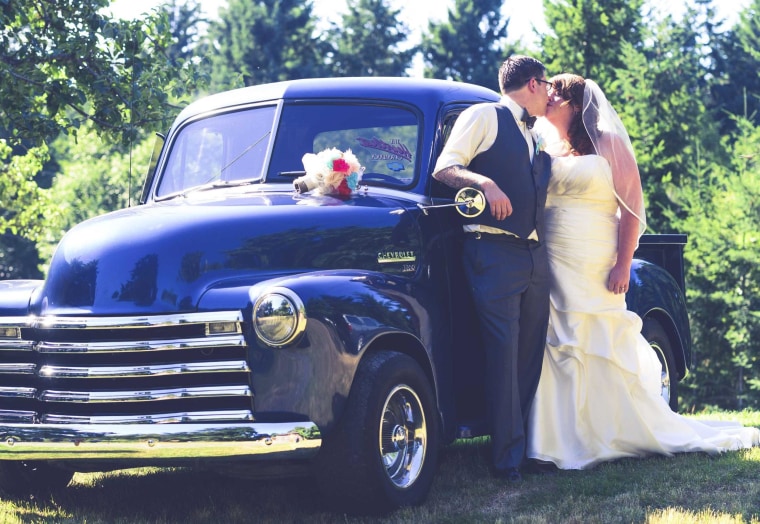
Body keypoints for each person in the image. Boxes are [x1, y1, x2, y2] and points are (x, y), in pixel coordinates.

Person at [526, 73, 760, 470]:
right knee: (559, 342)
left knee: (598, 338)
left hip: (596, 259)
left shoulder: (608, 143)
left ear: (574, 104)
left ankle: (614, 427)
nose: (547, 100)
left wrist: (622, 263)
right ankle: (560, 438)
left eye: (554, 95)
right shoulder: (547, 147)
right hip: (556, 259)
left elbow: (631, 209)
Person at [432, 55, 553, 481]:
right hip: (492, 251)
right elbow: (446, 167)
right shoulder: (486, 114)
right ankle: (505, 461)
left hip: (534, 256)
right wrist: (484, 182)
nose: (552, 92)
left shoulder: (536, 134)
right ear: (533, 84)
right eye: (548, 83)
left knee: (528, 356)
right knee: (503, 355)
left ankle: (521, 451)